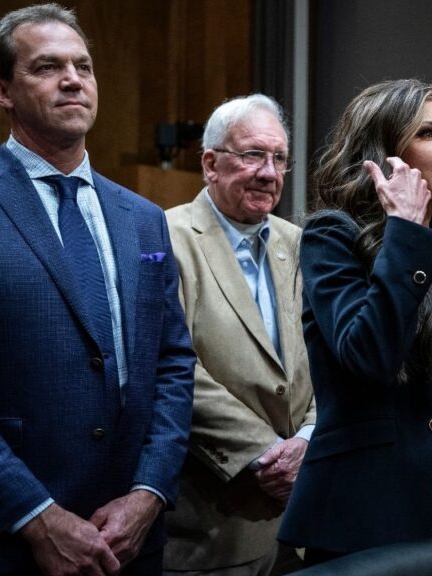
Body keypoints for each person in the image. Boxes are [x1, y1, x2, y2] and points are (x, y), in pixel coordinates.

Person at [0, 4, 196, 575]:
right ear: (2, 90)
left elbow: (172, 363)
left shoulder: (144, 217)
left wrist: (149, 492)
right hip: (4, 540)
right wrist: (37, 515)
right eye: (47, 67)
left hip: (130, 539)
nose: (73, 79)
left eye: (84, 67)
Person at [278, 79, 432, 570]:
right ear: (384, 153)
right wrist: (404, 232)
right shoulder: (332, 235)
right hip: (364, 517)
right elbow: (368, 357)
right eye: (428, 133)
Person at [163, 95, 316, 575]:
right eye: (252, 155)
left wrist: (310, 436)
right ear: (210, 163)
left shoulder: (301, 243)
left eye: (279, 159)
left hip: (304, 520)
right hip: (213, 522)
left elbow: (327, 357)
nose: (269, 173)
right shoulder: (164, 236)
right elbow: (172, 365)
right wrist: (266, 454)